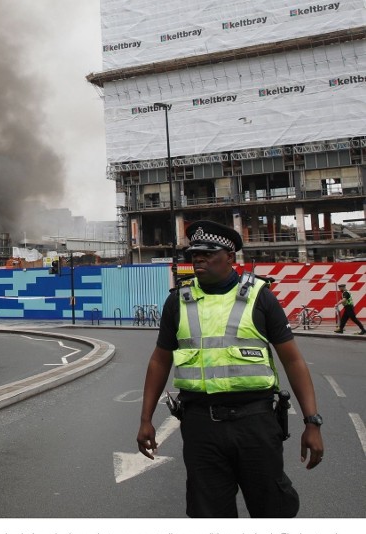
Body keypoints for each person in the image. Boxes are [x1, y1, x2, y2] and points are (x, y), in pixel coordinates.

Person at [136, 220, 324, 518]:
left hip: (256, 424)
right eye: (194, 254)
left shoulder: (260, 297)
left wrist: (312, 422)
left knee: (272, 510)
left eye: (208, 253)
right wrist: (146, 419)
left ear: (230, 258)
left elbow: (293, 360)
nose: (198, 259)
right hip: (200, 426)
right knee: (208, 514)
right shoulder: (177, 302)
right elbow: (160, 360)